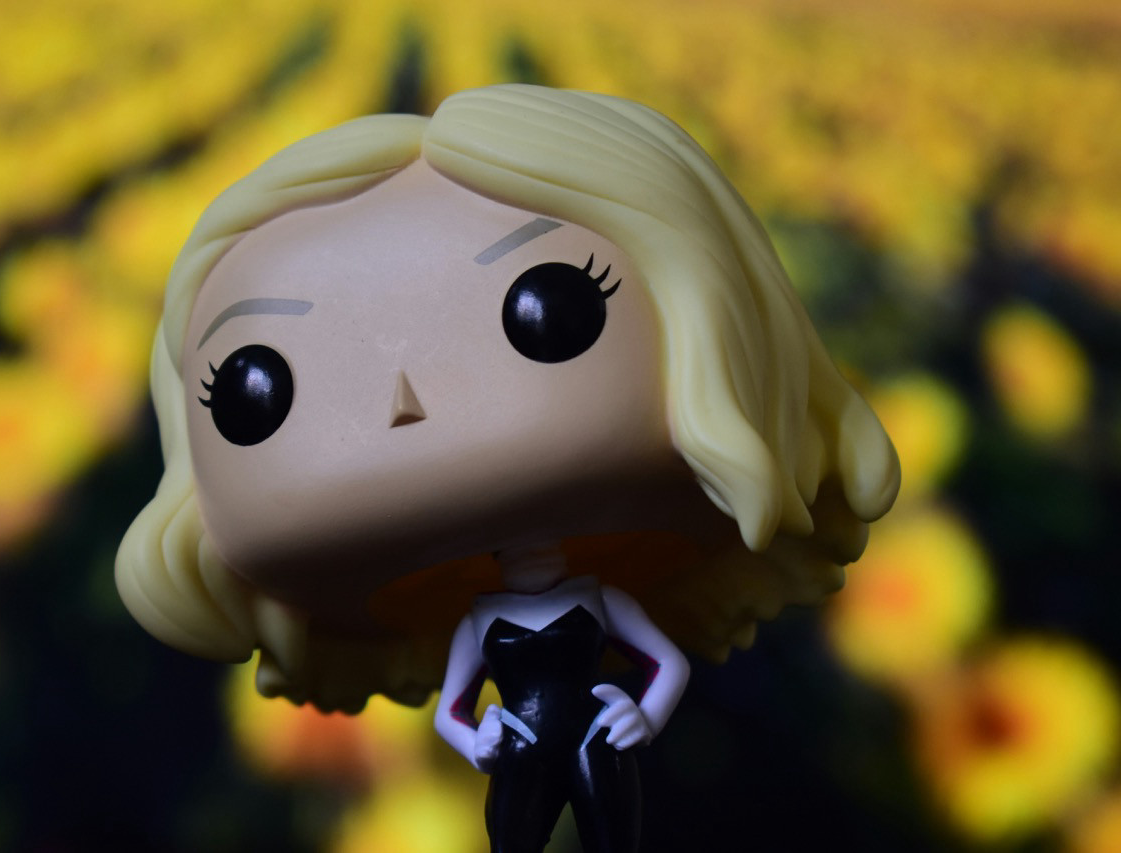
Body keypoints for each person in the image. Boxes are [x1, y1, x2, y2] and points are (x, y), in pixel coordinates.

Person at [116, 84, 899, 851]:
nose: (403, 399)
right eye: (252, 388)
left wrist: (642, 713)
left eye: (549, 304)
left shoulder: (598, 601)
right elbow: (453, 709)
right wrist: (479, 736)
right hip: (519, 749)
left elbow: (661, 664)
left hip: (595, 738)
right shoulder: (486, 623)